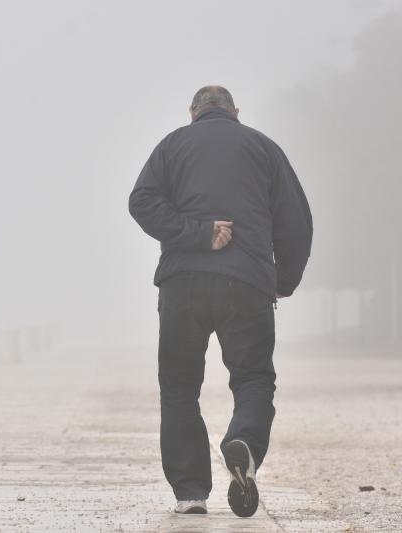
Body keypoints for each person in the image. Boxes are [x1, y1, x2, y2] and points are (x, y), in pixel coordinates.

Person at [128, 86, 313, 517]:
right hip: (246, 284)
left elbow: (141, 202)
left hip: (182, 284)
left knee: (178, 387)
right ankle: (244, 443)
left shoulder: (172, 146)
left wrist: (195, 233)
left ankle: (190, 494)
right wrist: (282, 281)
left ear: (192, 112)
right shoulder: (264, 148)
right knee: (252, 379)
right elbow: (296, 223)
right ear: (235, 113)